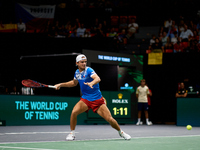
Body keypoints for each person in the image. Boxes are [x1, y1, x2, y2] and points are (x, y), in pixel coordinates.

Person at [54, 54, 131, 141]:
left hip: (97, 100)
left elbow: (97, 78)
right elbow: (73, 83)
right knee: (74, 112)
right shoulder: (77, 73)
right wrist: (60, 84)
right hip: (86, 99)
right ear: (77, 63)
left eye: (85, 62)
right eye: (82, 62)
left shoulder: (89, 70)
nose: (84, 64)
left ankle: (121, 132)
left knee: (109, 119)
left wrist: (91, 83)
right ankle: (72, 133)